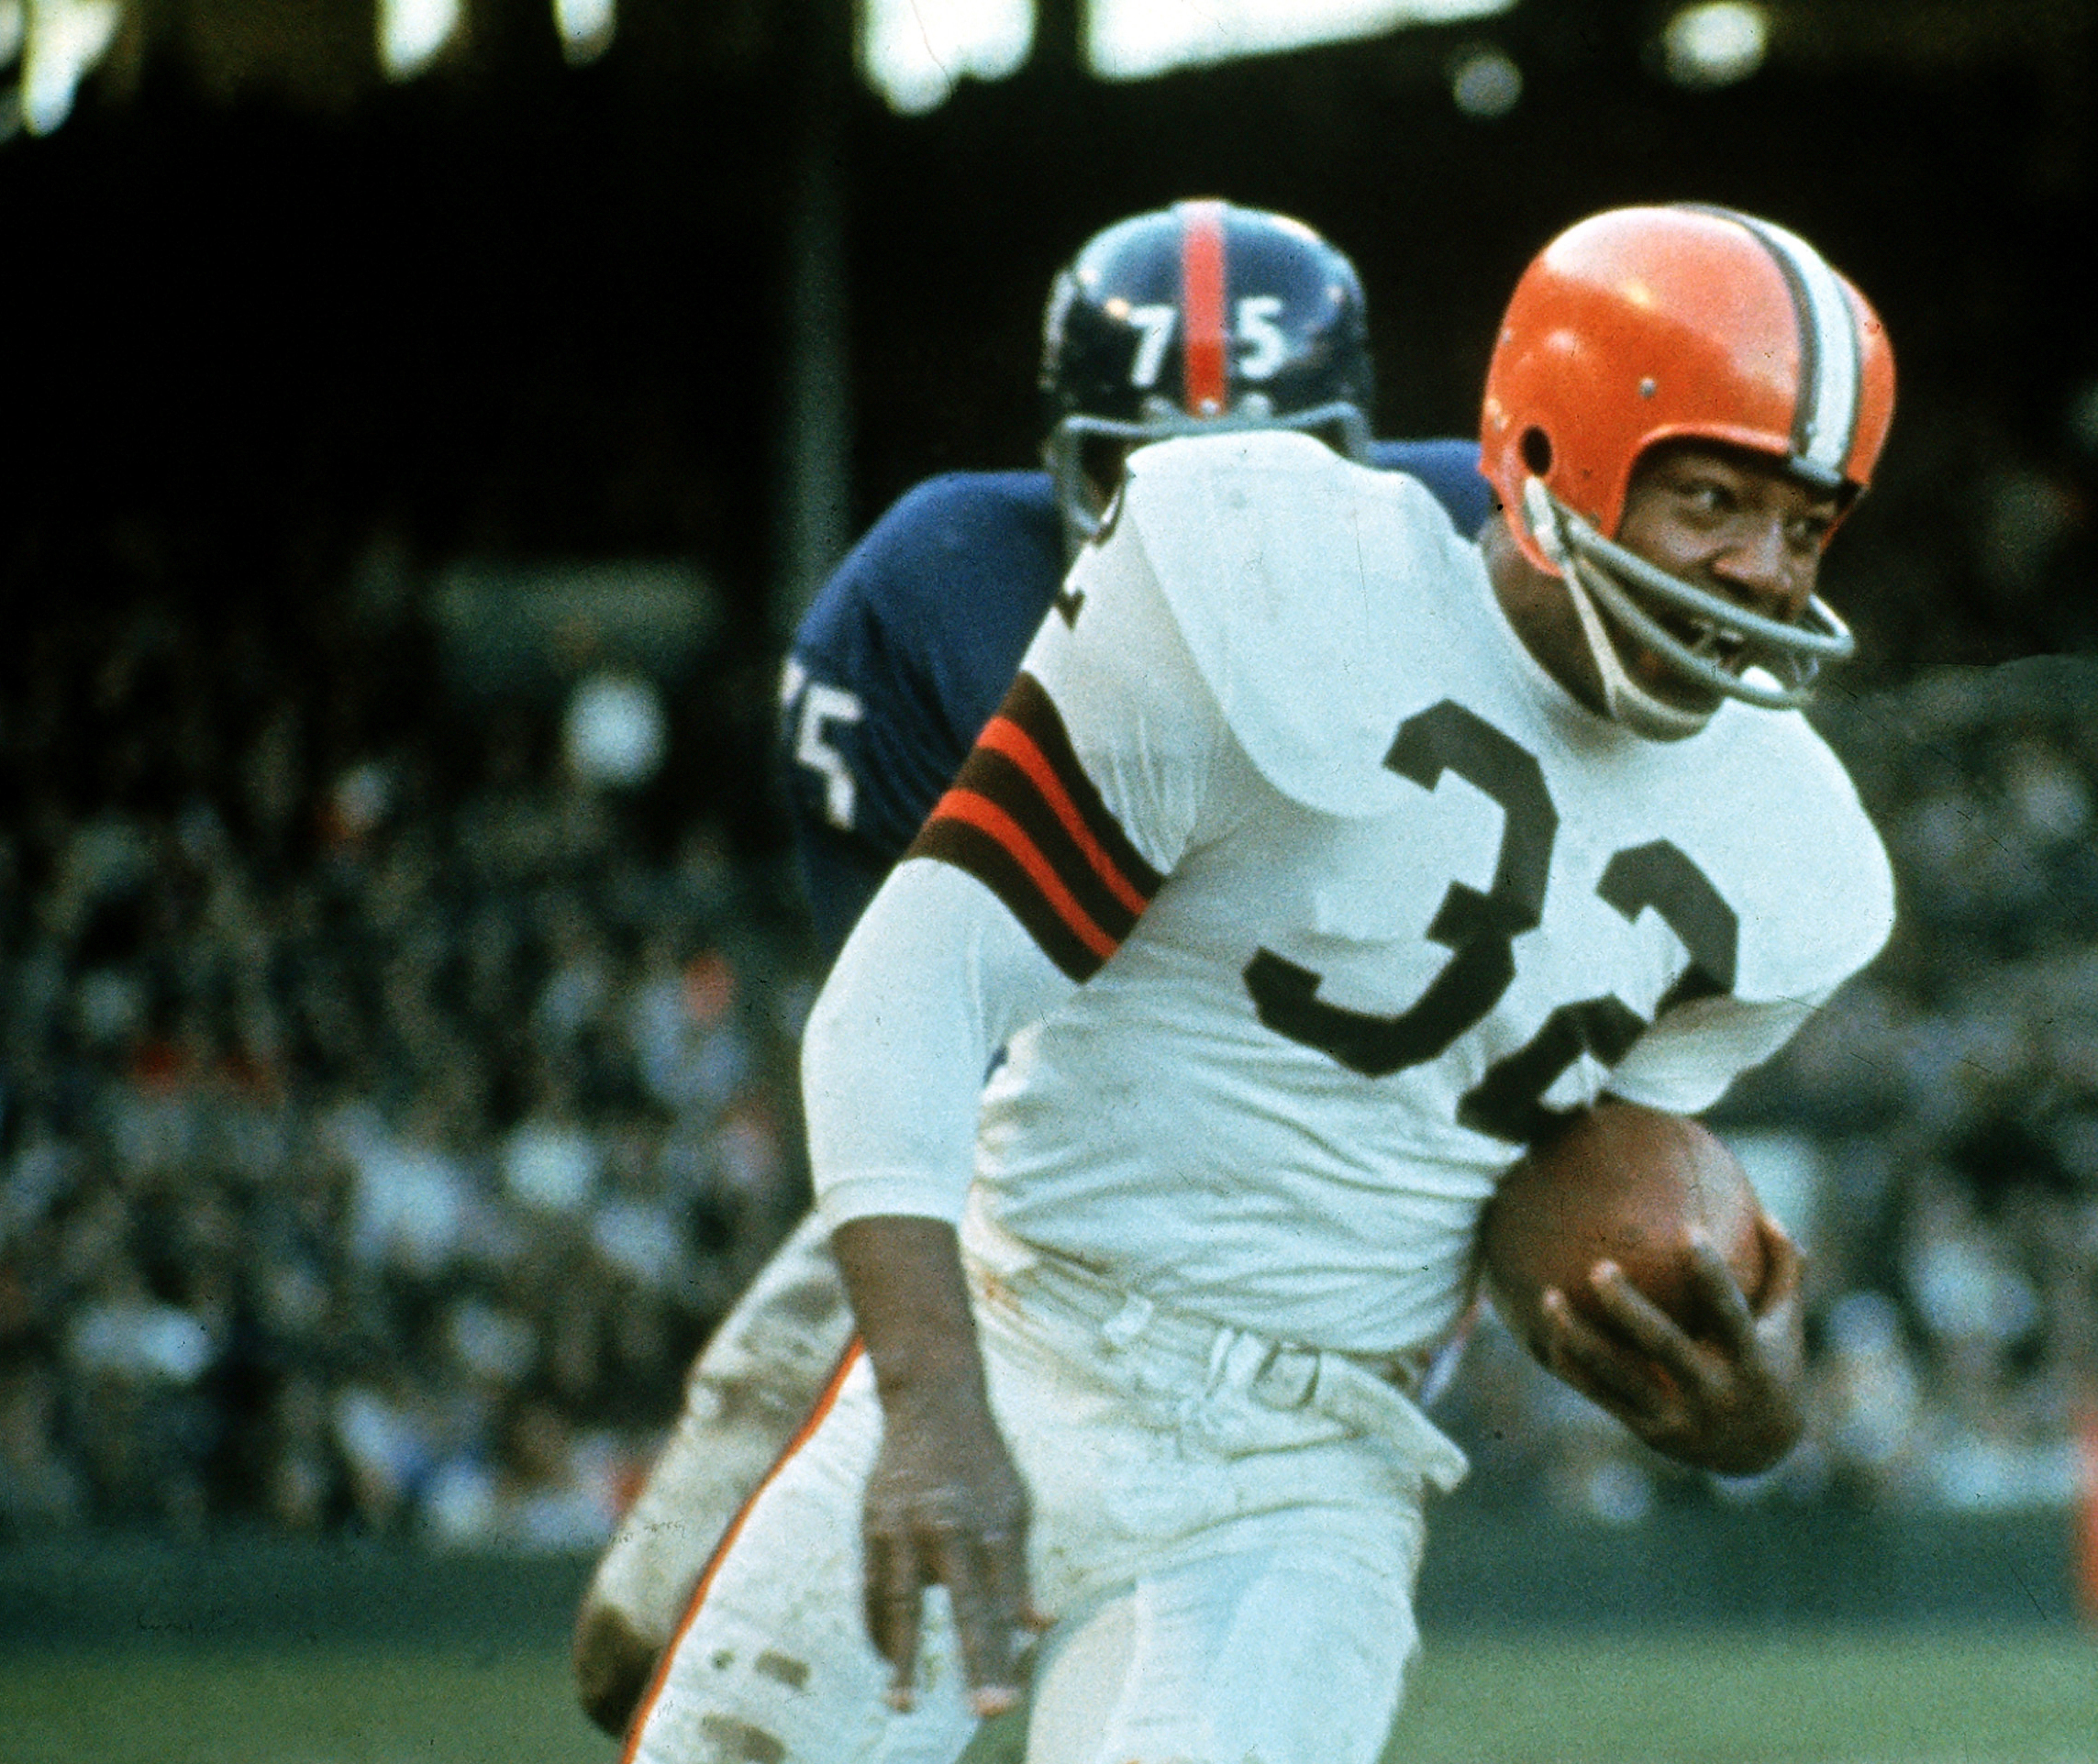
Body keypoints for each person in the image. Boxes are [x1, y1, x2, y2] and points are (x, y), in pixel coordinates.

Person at [620, 202, 1898, 1764]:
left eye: (1805, 528)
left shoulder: (1794, 853)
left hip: (1304, 1475)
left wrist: (1750, 1413)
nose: (1761, 573)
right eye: (1713, 499)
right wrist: (932, 1408)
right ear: (1550, 450)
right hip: (1017, 1328)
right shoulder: (1260, 569)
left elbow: (1558, 1203)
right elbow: (908, 997)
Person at [571, 199, 1493, 1738]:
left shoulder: (1482, 560)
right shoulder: (930, 596)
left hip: (1290, 1227)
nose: (1218, 523)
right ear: (1066, 466)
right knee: (644, 1633)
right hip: (1000, 1171)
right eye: (1149, 474)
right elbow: (914, 1026)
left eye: (1274, 468)